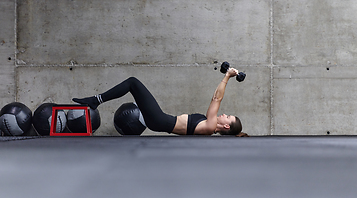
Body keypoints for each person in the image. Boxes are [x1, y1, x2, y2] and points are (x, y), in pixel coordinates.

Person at [72, 68, 248, 136]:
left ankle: (96, 101)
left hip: (160, 120)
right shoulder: (209, 127)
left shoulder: (210, 126)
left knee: (133, 82)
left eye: (228, 117)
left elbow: (216, 98)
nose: (224, 114)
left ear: (226, 126)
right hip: (160, 120)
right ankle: (96, 100)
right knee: (133, 83)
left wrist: (227, 76)